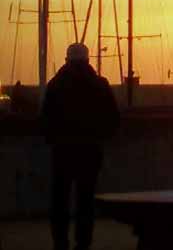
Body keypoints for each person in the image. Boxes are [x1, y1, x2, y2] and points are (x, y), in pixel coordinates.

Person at [41, 43, 120, 250]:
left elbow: (46, 119)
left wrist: (53, 138)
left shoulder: (55, 85)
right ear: (87, 60)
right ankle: (83, 243)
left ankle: (60, 242)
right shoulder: (100, 84)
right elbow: (113, 117)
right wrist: (100, 136)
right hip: (90, 150)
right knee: (85, 200)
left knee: (60, 201)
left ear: (67, 60)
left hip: (63, 150)